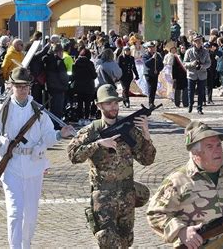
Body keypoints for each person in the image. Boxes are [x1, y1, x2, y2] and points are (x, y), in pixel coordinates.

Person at [0, 67, 75, 249]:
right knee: (15, 212)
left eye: (25, 86)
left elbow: (47, 135)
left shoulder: (38, 110)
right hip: (11, 164)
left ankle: (26, 246)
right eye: (18, 86)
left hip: (34, 165)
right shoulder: (3, 109)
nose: (22, 90)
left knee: (31, 214)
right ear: (11, 87)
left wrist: (59, 134)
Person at [147, 121, 223, 248]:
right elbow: (155, 214)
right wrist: (181, 231)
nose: (217, 151)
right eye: (210, 146)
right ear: (195, 153)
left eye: (218, 145)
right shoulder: (178, 180)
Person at [67, 84, 156, 248]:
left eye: (115, 102)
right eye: (108, 103)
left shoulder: (129, 129)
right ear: (99, 105)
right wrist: (98, 144)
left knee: (125, 241)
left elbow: (147, 160)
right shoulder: (92, 131)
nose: (113, 107)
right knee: (107, 242)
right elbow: (73, 155)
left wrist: (146, 134)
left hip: (127, 195)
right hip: (103, 197)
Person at [183, 35, 211, 115]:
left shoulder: (205, 51)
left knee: (201, 92)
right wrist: (192, 63)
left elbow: (209, 63)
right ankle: (190, 105)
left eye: (200, 41)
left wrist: (203, 66)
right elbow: (184, 63)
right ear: (193, 42)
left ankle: (200, 108)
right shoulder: (189, 51)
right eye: (196, 41)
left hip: (202, 74)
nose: (198, 42)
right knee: (190, 91)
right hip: (192, 74)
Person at [142, 41, 164, 108]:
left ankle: (152, 102)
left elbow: (161, 64)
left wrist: (158, 70)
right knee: (150, 87)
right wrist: (152, 58)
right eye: (150, 47)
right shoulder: (145, 55)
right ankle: (150, 102)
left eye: (152, 47)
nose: (151, 49)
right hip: (148, 74)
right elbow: (146, 63)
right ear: (147, 48)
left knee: (154, 88)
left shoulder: (158, 55)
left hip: (155, 74)